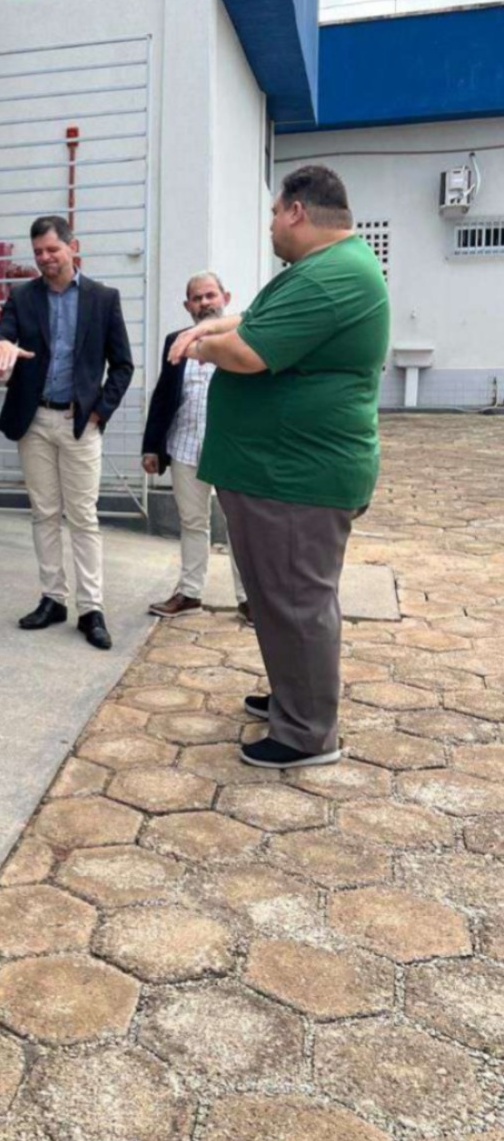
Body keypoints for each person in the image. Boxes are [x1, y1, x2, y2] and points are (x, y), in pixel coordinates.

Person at [170, 164, 390, 769]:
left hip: (298, 477)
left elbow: (249, 350)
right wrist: (217, 322)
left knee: (296, 601)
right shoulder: (324, 271)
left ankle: (306, 734)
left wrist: (201, 343)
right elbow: (258, 325)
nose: (270, 224)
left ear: (297, 210)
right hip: (280, 471)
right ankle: (295, 698)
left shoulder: (329, 277)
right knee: (277, 597)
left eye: (273, 212)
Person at [0, 214, 134, 650]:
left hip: (78, 422)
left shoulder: (103, 299)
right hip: (34, 421)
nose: (45, 259)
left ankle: (92, 608)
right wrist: (1, 344)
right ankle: (53, 598)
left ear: (73, 246)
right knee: (44, 512)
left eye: (52, 250)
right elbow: (0, 333)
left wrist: (99, 412)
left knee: (83, 516)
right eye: (38, 253)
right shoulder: (23, 297)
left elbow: (122, 365)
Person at [142, 272, 251, 624]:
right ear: (187, 305)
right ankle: (189, 594)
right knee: (192, 522)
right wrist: (152, 446)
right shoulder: (176, 341)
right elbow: (164, 394)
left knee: (241, 526)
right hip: (185, 446)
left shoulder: (245, 339)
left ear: (226, 297)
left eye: (210, 295)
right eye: (197, 298)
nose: (204, 303)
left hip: (233, 449)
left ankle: (250, 599)